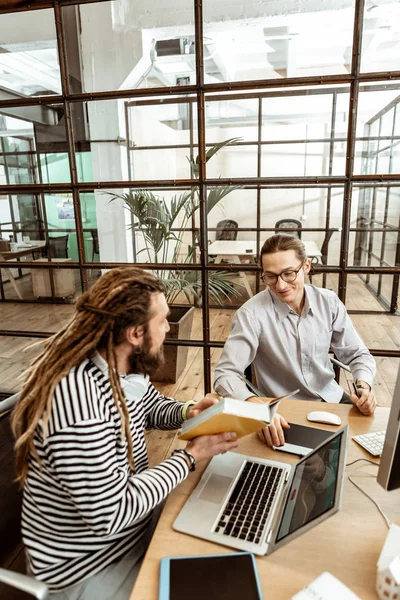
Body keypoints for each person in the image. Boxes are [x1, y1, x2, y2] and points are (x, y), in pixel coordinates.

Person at [11, 267, 238, 599]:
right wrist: (189, 458)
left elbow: (146, 404)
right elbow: (111, 513)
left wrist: (188, 412)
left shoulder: (120, 366)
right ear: (135, 333)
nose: (168, 329)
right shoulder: (77, 405)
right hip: (89, 566)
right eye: (162, 321)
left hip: (132, 529)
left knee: (223, 540)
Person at [214, 233, 376, 448]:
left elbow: (357, 354)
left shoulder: (328, 302)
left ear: (306, 266)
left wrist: (363, 387)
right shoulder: (251, 314)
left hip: (332, 399)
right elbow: (225, 374)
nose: (280, 285)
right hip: (282, 411)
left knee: (365, 449)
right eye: (270, 276)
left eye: (289, 273)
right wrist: (256, 406)